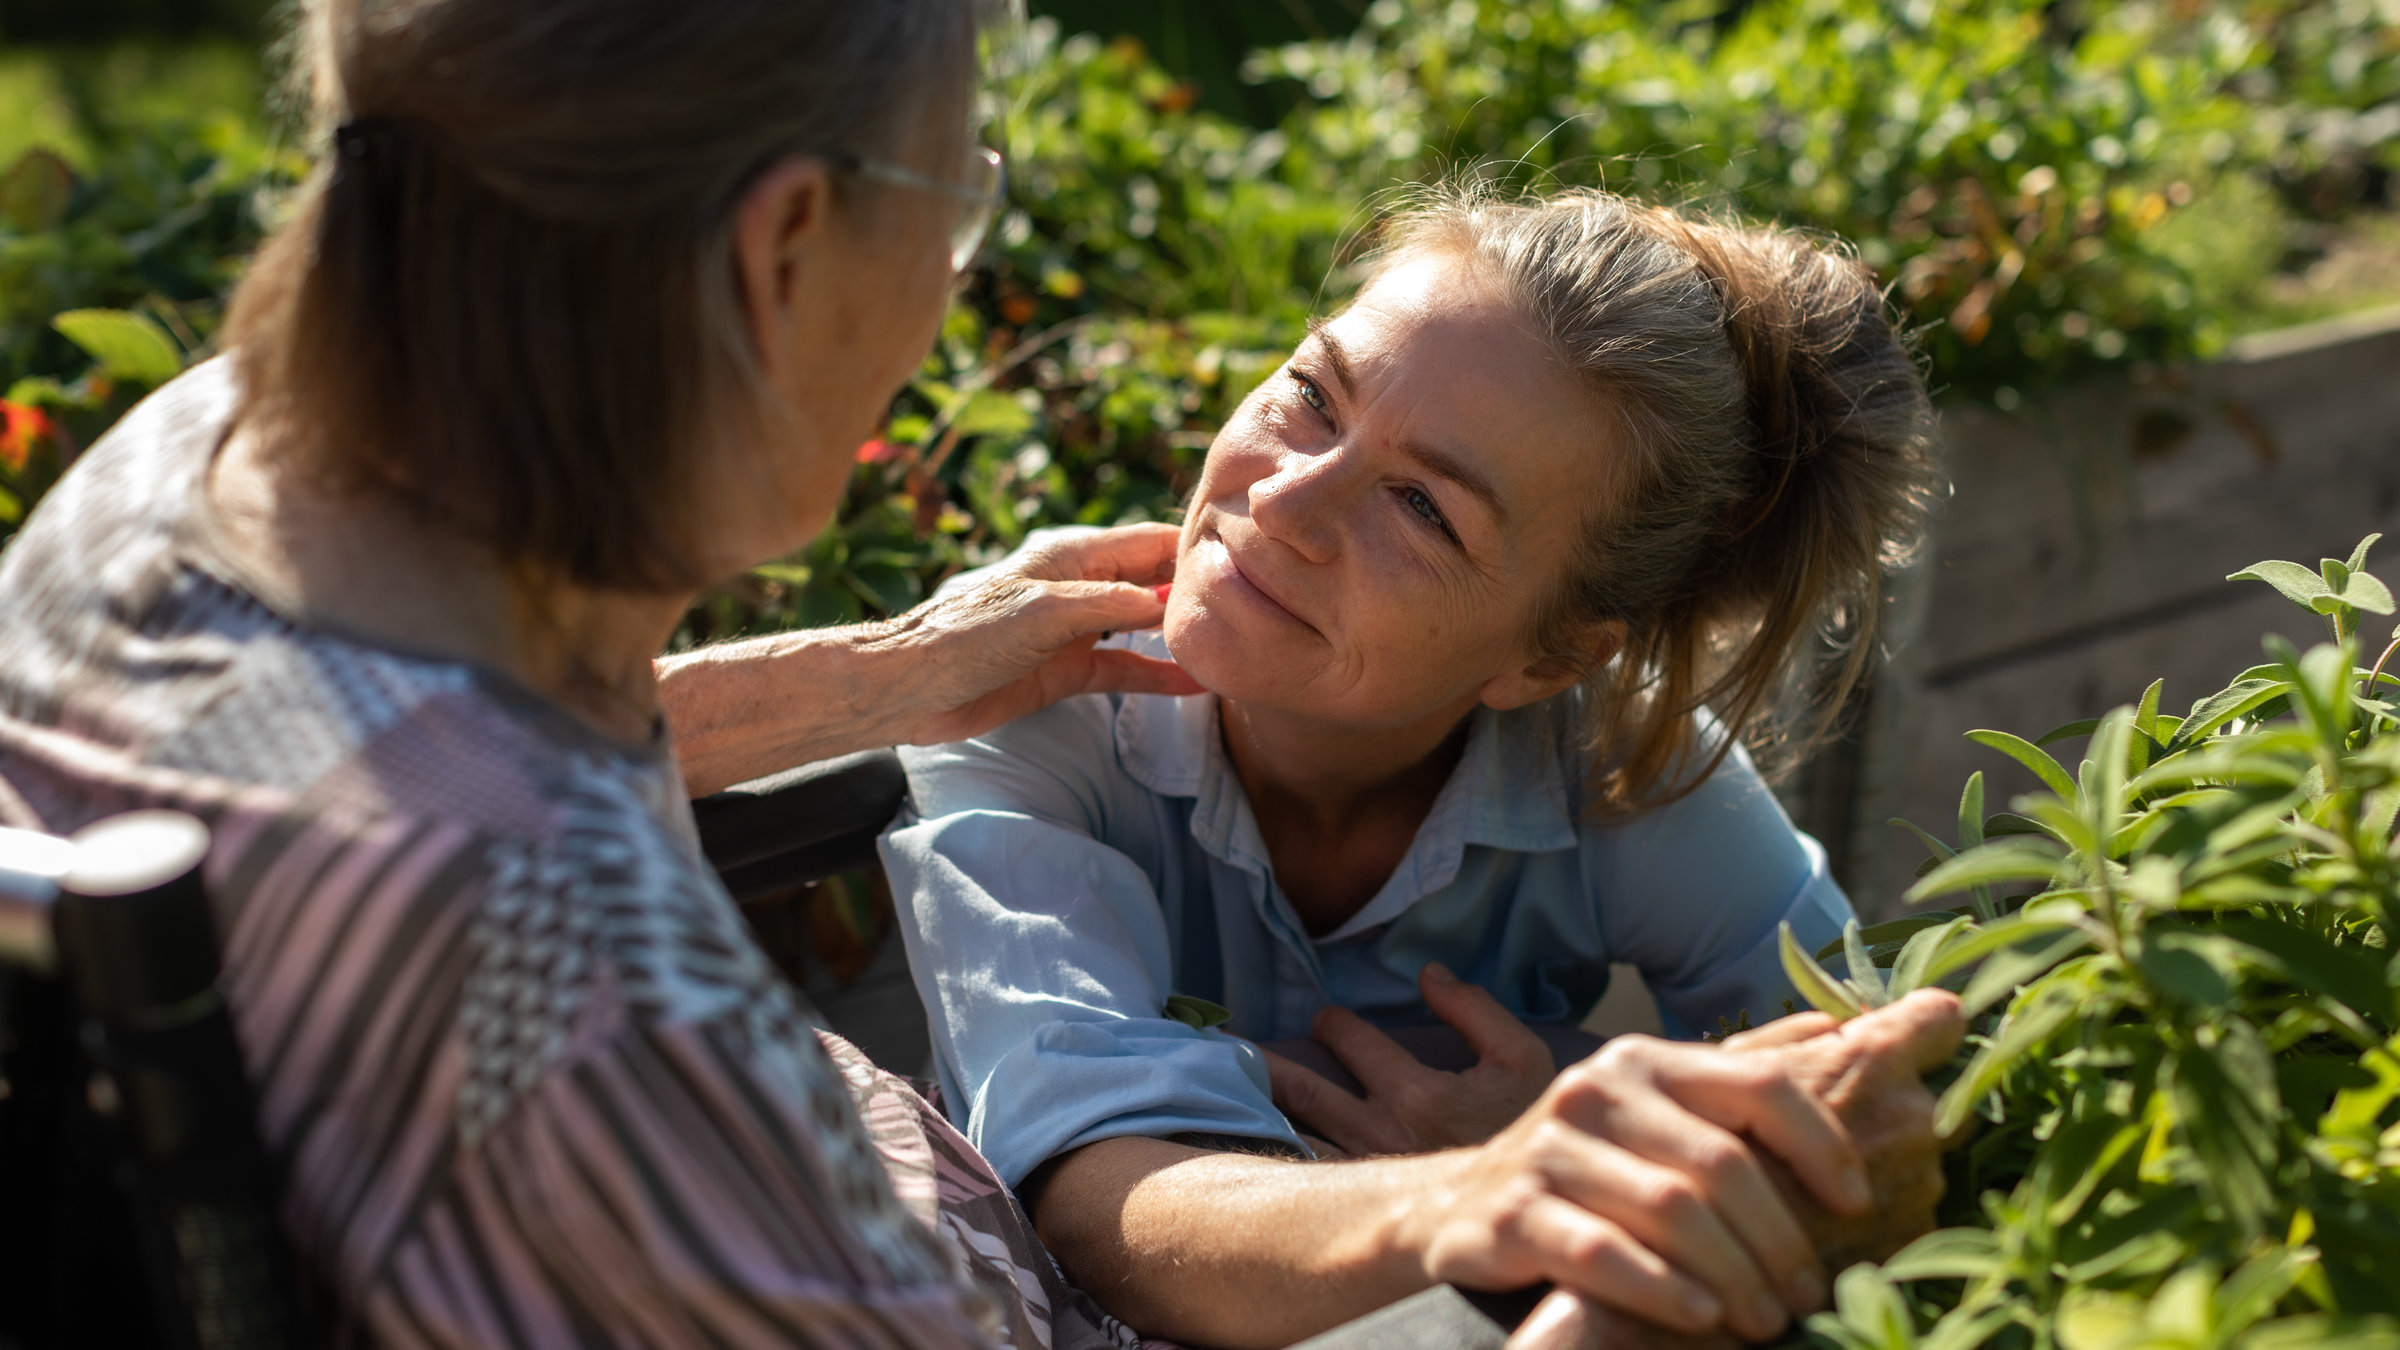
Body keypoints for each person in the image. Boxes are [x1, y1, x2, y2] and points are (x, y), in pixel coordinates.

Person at [0, 0, 1960, 1346]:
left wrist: (875, 677)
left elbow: (440, 747)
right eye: (962, 201)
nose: (955, 282)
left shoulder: (205, 472)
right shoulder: (578, 985)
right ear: (787, 250)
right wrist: (1555, 1241)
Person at [881, 186, 1952, 1348]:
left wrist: (1556, 1132)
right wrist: (1494, 1187)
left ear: (1549, 660)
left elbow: (1878, 1078)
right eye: (1309, 395)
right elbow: (1092, 1195)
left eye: (1423, 508)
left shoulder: (1618, 764)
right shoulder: (1027, 684)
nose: (1285, 501)